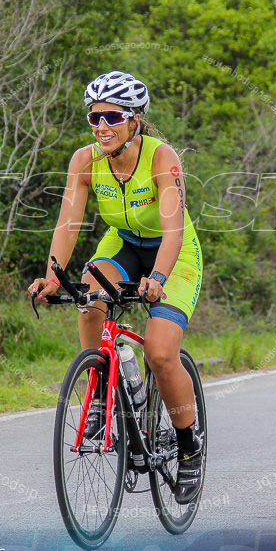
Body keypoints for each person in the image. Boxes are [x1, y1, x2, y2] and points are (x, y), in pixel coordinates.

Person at [28, 70, 204, 504]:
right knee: (89, 296)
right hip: (123, 244)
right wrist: (52, 278)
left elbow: (174, 231)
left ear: (134, 120)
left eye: (111, 116)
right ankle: (102, 391)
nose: (101, 126)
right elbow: (68, 224)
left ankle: (188, 448)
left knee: (161, 353)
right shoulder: (84, 161)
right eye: (94, 118)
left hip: (172, 254)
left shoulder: (162, 158)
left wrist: (158, 279)